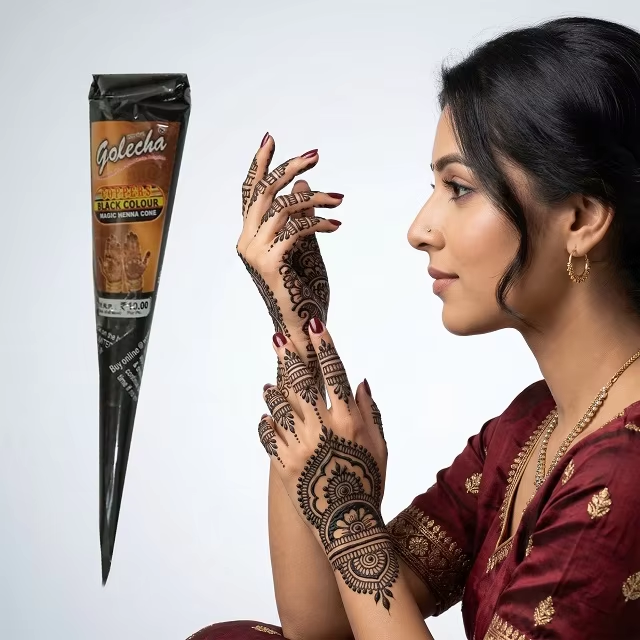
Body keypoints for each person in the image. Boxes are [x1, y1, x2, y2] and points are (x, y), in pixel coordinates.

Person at [188, 16, 640, 639]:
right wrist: (298, 323)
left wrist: (349, 518)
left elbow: (355, 572)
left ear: (582, 218)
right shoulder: (532, 426)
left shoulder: (625, 470)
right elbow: (320, 626)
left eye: (459, 188)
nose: (420, 229)